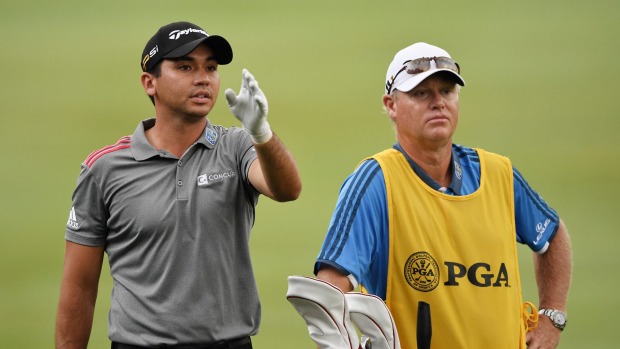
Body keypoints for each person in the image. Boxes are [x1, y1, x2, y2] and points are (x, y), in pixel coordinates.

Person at [55, 21, 301, 349]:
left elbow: (287, 190)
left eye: (210, 68)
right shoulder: (105, 168)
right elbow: (79, 289)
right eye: (185, 67)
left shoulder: (238, 146)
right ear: (149, 82)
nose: (203, 78)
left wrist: (261, 133)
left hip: (229, 343)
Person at [313, 42, 572, 349]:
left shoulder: (497, 173)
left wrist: (550, 319)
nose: (438, 102)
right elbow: (329, 288)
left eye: (446, 91)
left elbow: (552, 235)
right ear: (391, 105)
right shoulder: (376, 181)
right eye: (421, 93)